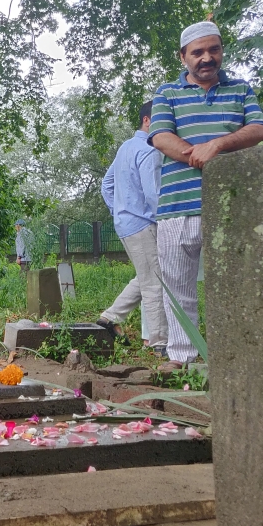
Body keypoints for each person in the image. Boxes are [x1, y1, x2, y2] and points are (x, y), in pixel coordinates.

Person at [148, 21, 263, 371]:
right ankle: (182, 359)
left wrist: (216, 144)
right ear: (183, 56)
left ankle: (236, 357)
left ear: (221, 51)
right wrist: (196, 155)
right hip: (177, 206)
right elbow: (160, 137)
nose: (206, 58)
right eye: (197, 52)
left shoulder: (240, 89)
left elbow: (258, 129)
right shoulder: (167, 93)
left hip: (232, 207)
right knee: (177, 285)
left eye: (212, 49)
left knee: (236, 284)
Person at [96, 102, 168, 354]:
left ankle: (110, 317)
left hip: (126, 226)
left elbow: (106, 185)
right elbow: (154, 194)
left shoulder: (126, 147)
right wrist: (164, 221)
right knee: (154, 284)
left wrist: (120, 211)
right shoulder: (149, 150)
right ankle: (160, 345)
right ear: (147, 121)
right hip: (144, 224)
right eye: (163, 120)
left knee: (146, 275)